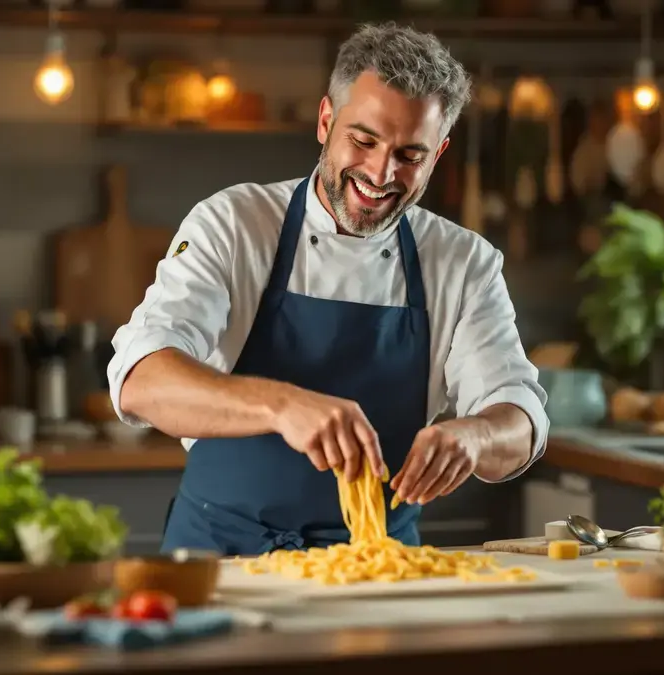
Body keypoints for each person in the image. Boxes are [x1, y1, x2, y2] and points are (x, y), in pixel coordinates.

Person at [108, 22, 549, 556]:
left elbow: (520, 416)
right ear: (325, 121)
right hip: (218, 561)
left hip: (376, 571)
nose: (381, 172)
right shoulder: (233, 224)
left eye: (411, 155)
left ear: (439, 152)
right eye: (363, 140)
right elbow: (142, 380)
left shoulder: (463, 263)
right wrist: (280, 406)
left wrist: (476, 437)